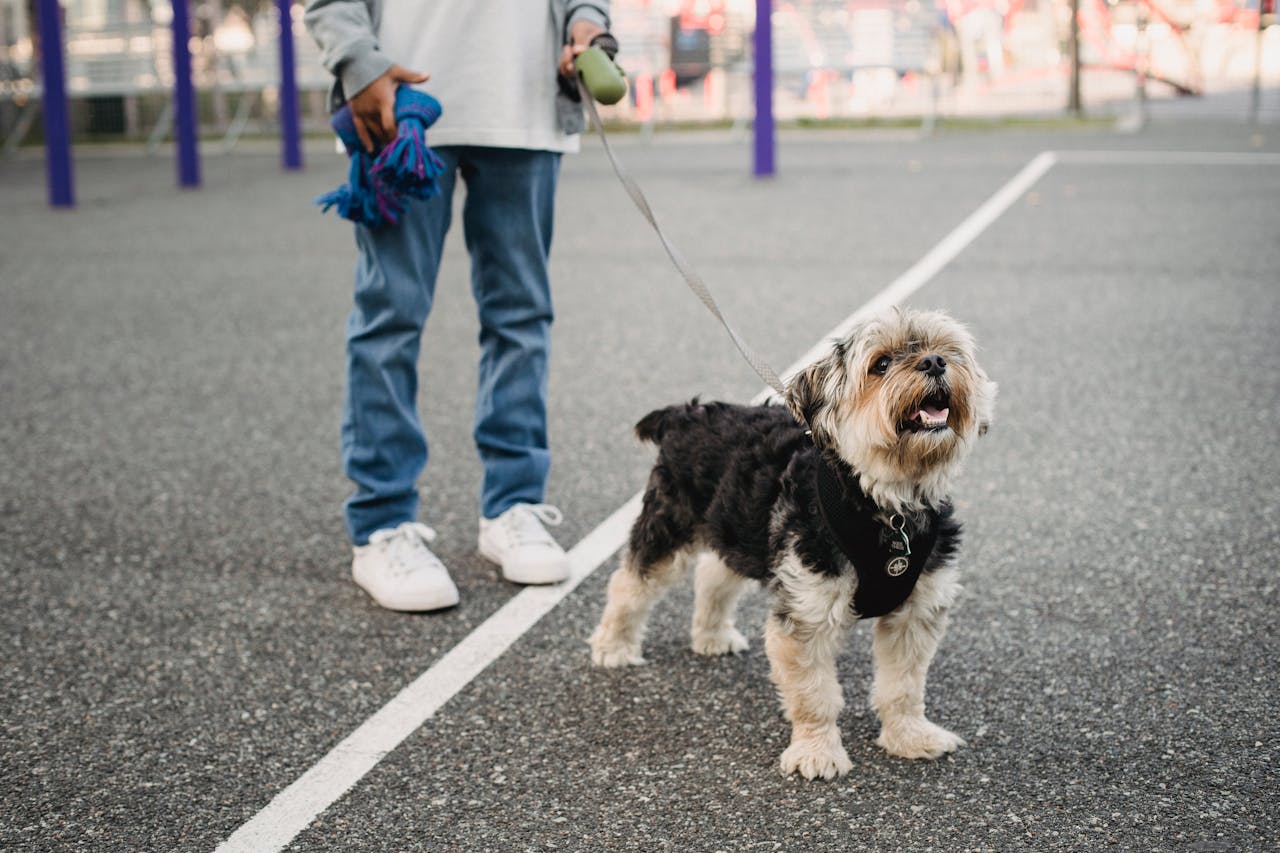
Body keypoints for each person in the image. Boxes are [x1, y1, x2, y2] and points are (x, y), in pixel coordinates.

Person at [304, 0, 613, 611]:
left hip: (522, 105)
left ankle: (512, 506)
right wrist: (356, 63)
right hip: (396, 106)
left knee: (521, 317)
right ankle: (380, 525)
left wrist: (586, 22)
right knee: (389, 318)